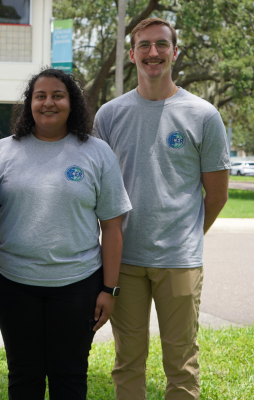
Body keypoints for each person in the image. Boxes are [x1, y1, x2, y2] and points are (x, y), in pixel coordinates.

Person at [94, 17, 230, 400]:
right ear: (133, 53)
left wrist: (186, 237)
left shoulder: (203, 115)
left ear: (175, 51)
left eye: (161, 45)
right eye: (144, 46)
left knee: (182, 362)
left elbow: (216, 195)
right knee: (127, 360)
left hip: (180, 260)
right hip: (124, 259)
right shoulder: (109, 115)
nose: (153, 53)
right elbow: (100, 190)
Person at [0, 68, 132, 399]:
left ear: (72, 103)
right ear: (30, 104)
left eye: (58, 95)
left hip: (78, 287)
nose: (48, 103)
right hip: (14, 285)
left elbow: (112, 228)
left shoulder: (96, 153)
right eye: (40, 96)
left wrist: (109, 290)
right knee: (23, 375)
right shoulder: (3, 152)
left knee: (69, 376)